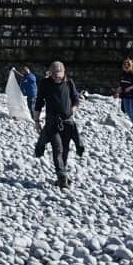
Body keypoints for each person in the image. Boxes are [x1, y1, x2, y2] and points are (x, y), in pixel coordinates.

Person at [33, 61, 82, 190]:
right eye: (54, 75)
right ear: (50, 74)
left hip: (67, 122)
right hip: (52, 122)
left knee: (65, 149)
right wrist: (36, 121)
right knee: (57, 148)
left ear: (64, 73)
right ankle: (62, 178)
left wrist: (72, 110)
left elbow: (76, 100)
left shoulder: (69, 83)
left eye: (59, 75)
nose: (57, 78)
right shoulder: (44, 84)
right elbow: (39, 102)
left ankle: (63, 173)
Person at [116, 58, 133, 130]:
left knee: (131, 110)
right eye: (125, 65)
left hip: (132, 95)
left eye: (127, 65)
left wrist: (130, 88)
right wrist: (117, 92)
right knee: (127, 110)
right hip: (125, 95)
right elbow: (121, 85)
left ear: (130, 65)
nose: (126, 66)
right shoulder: (123, 74)